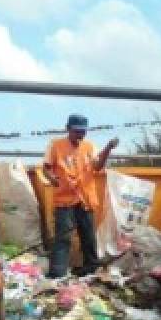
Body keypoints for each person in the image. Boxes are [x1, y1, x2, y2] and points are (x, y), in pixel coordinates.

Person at [42, 114, 118, 278]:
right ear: (67, 129)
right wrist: (51, 178)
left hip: (86, 199)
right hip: (65, 200)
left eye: (83, 132)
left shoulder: (90, 147)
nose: (80, 135)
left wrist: (108, 149)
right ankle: (57, 273)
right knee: (63, 238)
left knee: (88, 236)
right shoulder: (55, 145)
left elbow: (97, 167)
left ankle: (91, 269)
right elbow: (46, 168)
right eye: (77, 132)